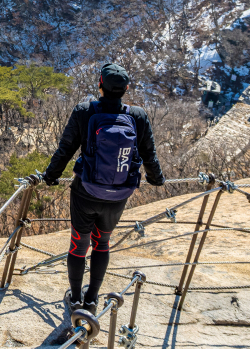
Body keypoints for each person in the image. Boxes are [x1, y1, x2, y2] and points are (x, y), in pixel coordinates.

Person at [42, 62, 164, 316]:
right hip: (119, 193)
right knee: (102, 243)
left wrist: (51, 175)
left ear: (100, 84)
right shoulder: (138, 115)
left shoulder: (85, 111)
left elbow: (66, 148)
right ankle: (92, 299)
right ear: (125, 89)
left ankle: (75, 299)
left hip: (86, 191)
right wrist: (156, 179)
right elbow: (149, 153)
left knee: (79, 244)